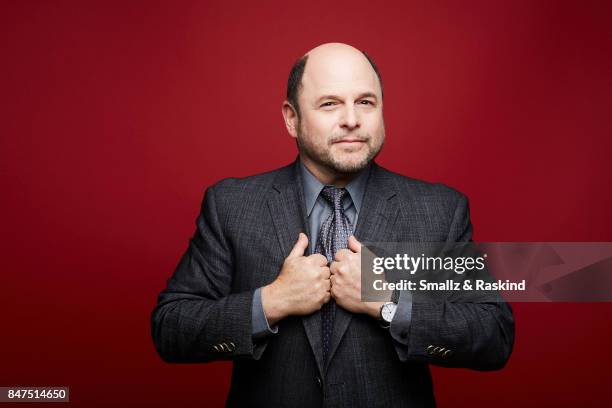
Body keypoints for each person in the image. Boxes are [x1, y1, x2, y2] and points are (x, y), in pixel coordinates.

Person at [151, 42, 514, 407]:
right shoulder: (232, 204)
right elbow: (171, 327)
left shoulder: (439, 210)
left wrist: (389, 301)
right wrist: (270, 302)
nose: (352, 119)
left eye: (366, 102)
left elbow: (493, 335)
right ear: (291, 118)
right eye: (330, 104)